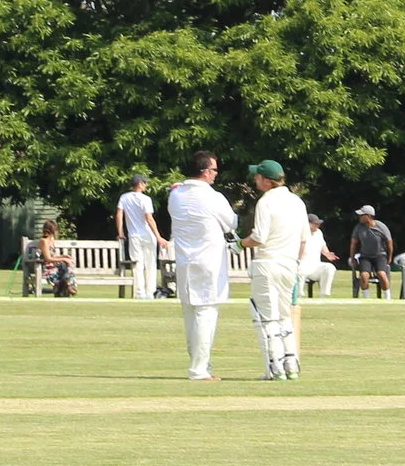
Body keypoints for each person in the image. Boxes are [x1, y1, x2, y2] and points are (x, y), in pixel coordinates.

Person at [167, 151, 239, 381]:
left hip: (184, 260)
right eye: (214, 170)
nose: (216, 175)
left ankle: (199, 364)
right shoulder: (213, 197)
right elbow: (231, 222)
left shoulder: (176, 195)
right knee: (206, 312)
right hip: (208, 261)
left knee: (190, 311)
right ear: (206, 172)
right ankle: (199, 369)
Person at [241, 160, 308, 380]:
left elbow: (259, 237)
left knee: (266, 318)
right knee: (283, 316)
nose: (255, 180)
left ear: (267, 181)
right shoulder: (297, 202)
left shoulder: (266, 201)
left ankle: (275, 369)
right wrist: (295, 265)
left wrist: (239, 244)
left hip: (267, 264)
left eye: (258, 177)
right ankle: (292, 366)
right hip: (289, 265)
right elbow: (303, 240)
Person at [117, 174, 161, 300]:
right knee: (150, 265)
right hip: (148, 235)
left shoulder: (124, 198)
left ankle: (139, 292)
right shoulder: (146, 199)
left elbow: (119, 215)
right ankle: (150, 292)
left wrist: (121, 232)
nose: (146, 185)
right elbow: (149, 218)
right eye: (144, 183)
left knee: (137, 265)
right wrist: (158, 236)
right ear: (140, 184)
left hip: (134, 236)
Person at [347, 205, 393, 297]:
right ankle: (367, 298)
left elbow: (389, 243)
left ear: (369, 216)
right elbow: (353, 244)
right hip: (365, 256)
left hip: (380, 256)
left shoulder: (381, 226)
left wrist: (389, 257)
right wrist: (353, 259)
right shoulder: (359, 227)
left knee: (382, 274)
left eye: (361, 215)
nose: (359, 217)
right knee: (364, 276)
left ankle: (388, 297)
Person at [296, 215, 338, 298]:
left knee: (330, 267)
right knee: (299, 270)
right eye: (315, 224)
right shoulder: (299, 232)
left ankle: (324, 295)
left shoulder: (319, 232)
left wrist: (327, 253)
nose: (318, 226)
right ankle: (298, 296)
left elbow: (323, 245)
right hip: (302, 263)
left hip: (315, 265)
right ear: (308, 224)